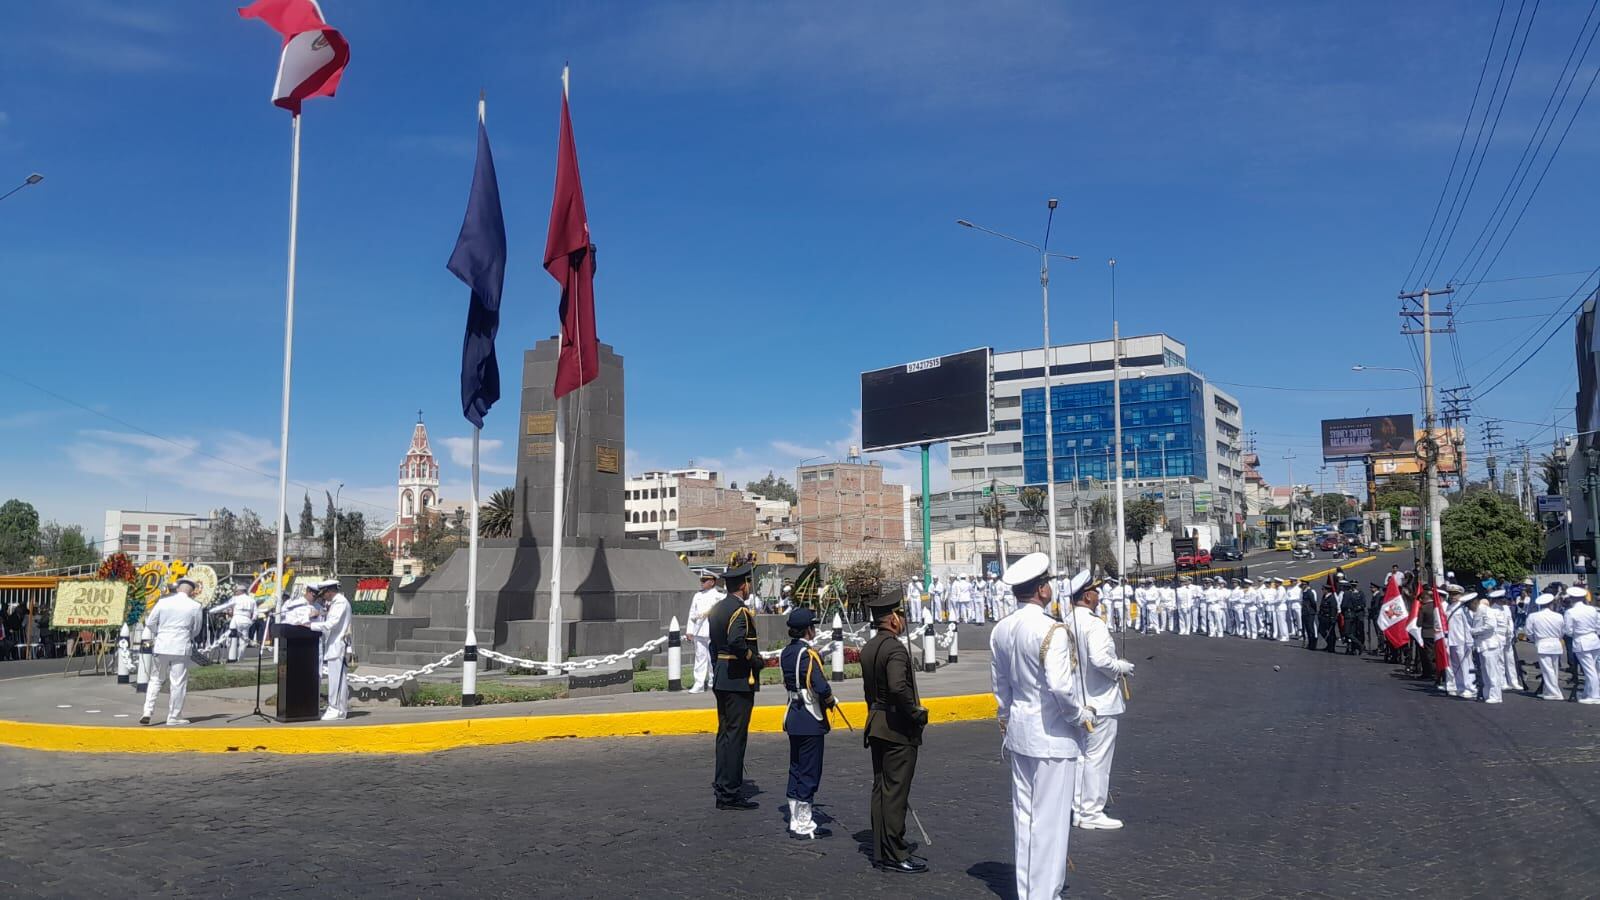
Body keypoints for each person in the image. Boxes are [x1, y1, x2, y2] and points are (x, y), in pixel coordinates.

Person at [991, 554, 1093, 899]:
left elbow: (1000, 686)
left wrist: (1006, 716)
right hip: (1052, 736)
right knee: (1049, 820)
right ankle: (1044, 893)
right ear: (1041, 590)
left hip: (1019, 733)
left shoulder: (1001, 629)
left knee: (1025, 818)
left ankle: (1028, 891)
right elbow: (1062, 688)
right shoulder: (1052, 629)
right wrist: (1080, 716)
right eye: (1047, 582)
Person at [861, 590, 926, 874]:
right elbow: (898, 687)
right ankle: (896, 851)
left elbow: (869, 691)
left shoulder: (869, 648)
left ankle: (881, 848)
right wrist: (915, 713)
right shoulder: (895, 649)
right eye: (901, 615)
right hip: (897, 727)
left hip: (876, 722)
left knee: (881, 788)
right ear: (893, 618)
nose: (903, 620)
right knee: (896, 791)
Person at [1070, 570, 1134, 831]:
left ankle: (1078, 808)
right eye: (1096, 592)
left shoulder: (1066, 621)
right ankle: (1091, 811)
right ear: (1087, 596)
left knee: (1081, 757)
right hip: (1100, 700)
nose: (1099, 596)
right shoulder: (1093, 623)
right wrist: (1120, 667)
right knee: (1097, 758)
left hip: (1078, 700)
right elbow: (1099, 659)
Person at [708, 563, 762, 809]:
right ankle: (730, 792)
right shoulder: (739, 612)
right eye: (748, 583)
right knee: (736, 737)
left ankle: (722, 784)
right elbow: (737, 642)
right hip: (738, 680)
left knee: (724, 736)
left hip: (721, 676)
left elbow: (712, 645)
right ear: (743, 585)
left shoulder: (718, 608)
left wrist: (717, 667)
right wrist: (755, 661)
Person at [781, 608, 833, 840]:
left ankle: (794, 817)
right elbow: (820, 687)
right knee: (810, 769)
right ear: (809, 630)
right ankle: (803, 822)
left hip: (794, 714)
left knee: (796, 766)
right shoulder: (808, 654)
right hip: (810, 717)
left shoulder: (787, 652)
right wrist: (831, 700)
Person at [140, 577, 205, 726]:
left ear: (177, 588)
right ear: (192, 591)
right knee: (178, 683)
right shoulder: (195, 606)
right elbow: (196, 629)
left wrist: (160, 632)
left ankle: (147, 711)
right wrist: (186, 636)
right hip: (181, 646)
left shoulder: (163, 602)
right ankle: (174, 716)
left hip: (162, 644)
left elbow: (150, 623)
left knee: (155, 679)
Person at [308, 578, 352, 720]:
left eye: (324, 593)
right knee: (337, 679)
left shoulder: (340, 602)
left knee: (337, 681)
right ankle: (339, 709)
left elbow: (332, 623)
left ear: (330, 591)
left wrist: (310, 626)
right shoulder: (336, 602)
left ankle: (336, 709)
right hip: (334, 646)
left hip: (337, 646)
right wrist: (321, 614)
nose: (323, 596)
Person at [685, 572, 722, 693]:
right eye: (702, 580)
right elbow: (692, 614)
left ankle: (713, 681)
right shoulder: (697, 596)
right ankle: (699, 683)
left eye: (704, 580)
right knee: (700, 658)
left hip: (713, 631)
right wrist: (689, 630)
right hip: (699, 631)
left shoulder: (719, 597)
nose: (702, 582)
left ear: (712, 582)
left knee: (713, 658)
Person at [1564, 586, 1600, 704]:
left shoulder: (1570, 612)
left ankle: (1595, 696)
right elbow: (1597, 626)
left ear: (1572, 599)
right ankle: (1587, 692)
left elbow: (1568, 631)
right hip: (1594, 639)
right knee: (1593, 668)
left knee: (1589, 670)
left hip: (1581, 641)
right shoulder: (1592, 609)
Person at [1526, 592, 1566, 700]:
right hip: (1556, 643)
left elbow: (1529, 633)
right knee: (1554, 669)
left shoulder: (1533, 616)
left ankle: (1555, 693)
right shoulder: (1558, 616)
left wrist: (1536, 640)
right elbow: (1562, 632)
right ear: (1551, 603)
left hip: (1543, 643)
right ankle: (1549, 691)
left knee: (1547, 670)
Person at [208, 584, 257, 662]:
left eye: (236, 591)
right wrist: (251, 621)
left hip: (236, 619)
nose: (235, 593)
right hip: (247, 620)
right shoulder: (252, 600)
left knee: (229, 637)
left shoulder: (236, 599)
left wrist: (212, 611)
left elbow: (225, 606)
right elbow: (255, 614)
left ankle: (231, 657)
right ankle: (240, 659)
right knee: (243, 641)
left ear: (240, 591)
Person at [1470, 591, 1504, 704]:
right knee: (1485, 671)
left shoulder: (1486, 610)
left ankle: (1496, 695)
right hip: (1482, 645)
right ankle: (1487, 693)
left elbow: (1490, 626)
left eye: (1469, 604)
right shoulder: (1477, 611)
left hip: (1490, 644)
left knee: (1492, 671)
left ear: (1474, 602)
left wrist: (1475, 631)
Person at [1444, 591, 1479, 699]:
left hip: (1462, 641)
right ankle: (1460, 687)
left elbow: (1467, 626)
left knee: (1466, 666)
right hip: (1452, 640)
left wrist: (1469, 641)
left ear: (1460, 595)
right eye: (1451, 594)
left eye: (1455, 594)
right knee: (1455, 666)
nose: (1453, 597)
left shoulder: (1463, 609)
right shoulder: (1449, 607)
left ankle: (1470, 688)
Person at [1340, 580, 1366, 655]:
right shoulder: (1353, 594)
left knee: (1347, 633)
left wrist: (1342, 611)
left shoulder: (1347, 594)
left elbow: (1344, 605)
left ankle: (1359, 645)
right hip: (1353, 614)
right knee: (1352, 633)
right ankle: (1352, 649)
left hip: (1348, 615)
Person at [1317, 582, 1339, 652]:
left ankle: (1331, 647)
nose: (1322, 591)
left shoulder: (1332, 598)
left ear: (1327, 590)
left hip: (1329, 617)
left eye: (1323, 589)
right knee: (1321, 630)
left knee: (1331, 633)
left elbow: (1333, 609)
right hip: (1323, 617)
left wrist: (1332, 618)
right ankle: (1329, 644)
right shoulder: (1324, 597)